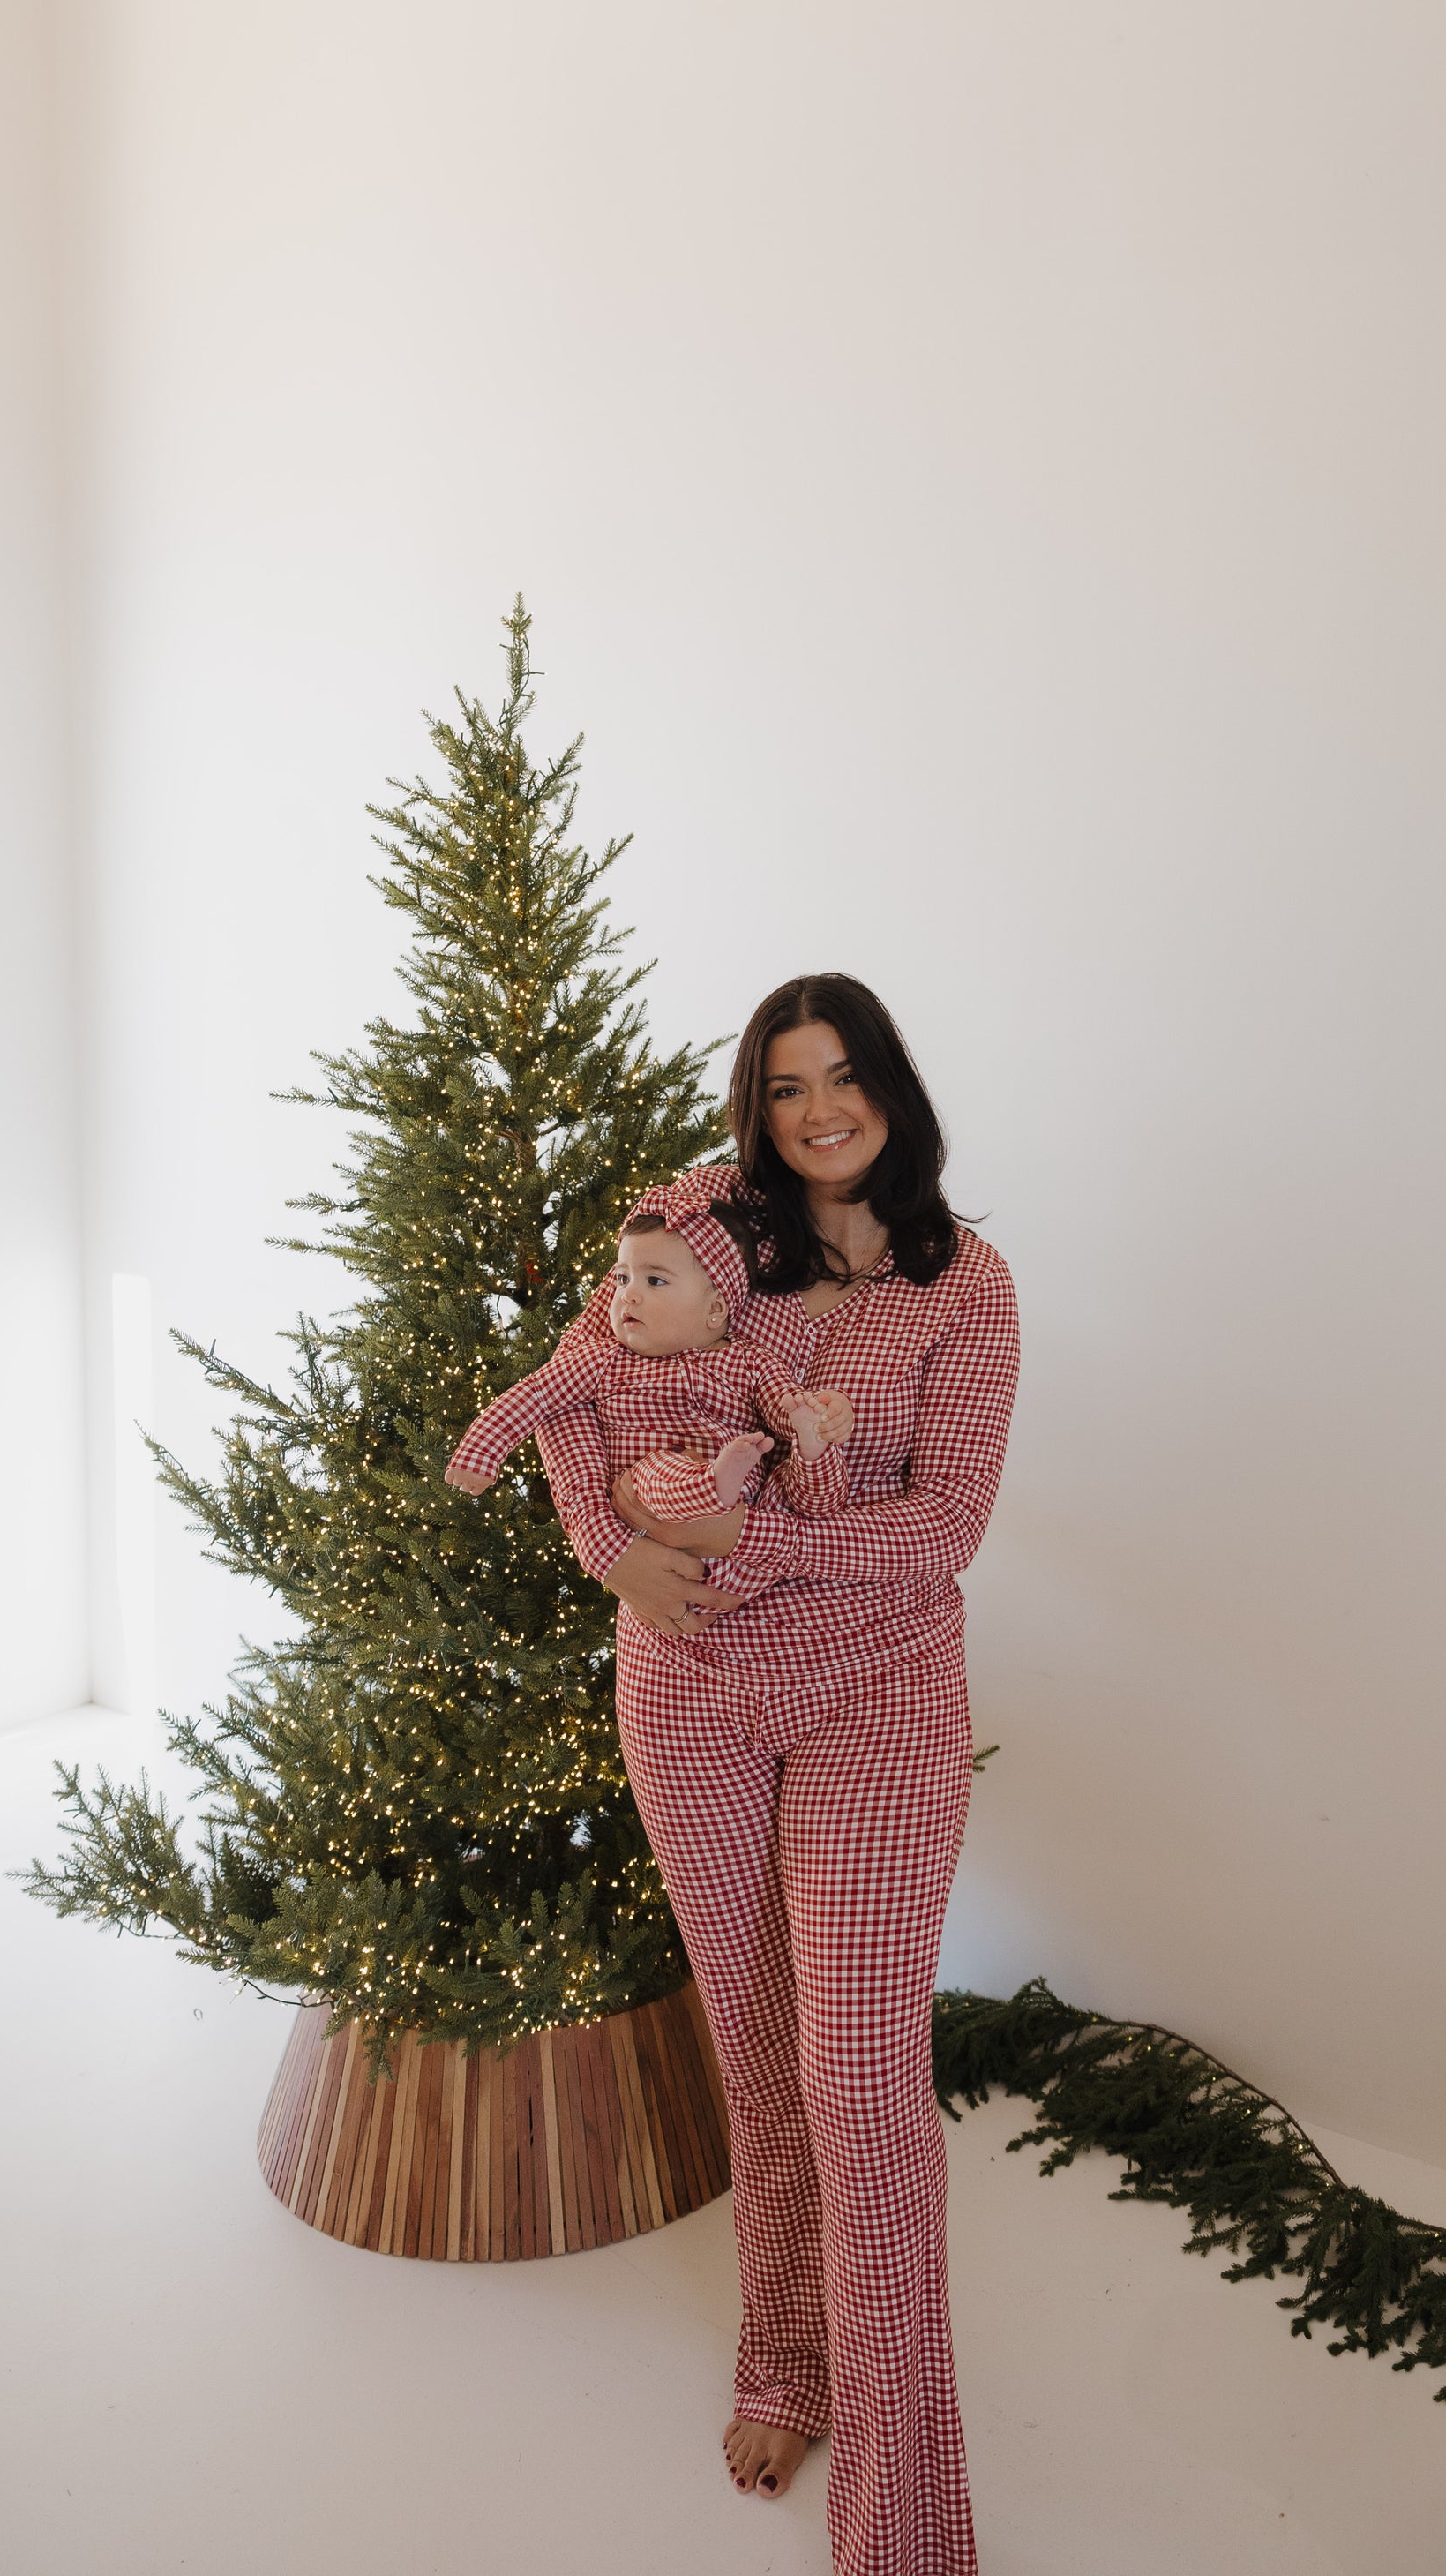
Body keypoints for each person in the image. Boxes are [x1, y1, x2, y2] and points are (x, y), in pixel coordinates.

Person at [523, 974, 1019, 2576]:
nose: (818, 1109)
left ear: (892, 1088)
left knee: (863, 2081)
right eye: (788, 1083)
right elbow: (569, 1385)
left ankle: (904, 2508)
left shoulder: (968, 1288)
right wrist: (613, 1550)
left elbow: (944, 1532)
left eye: (844, 1075)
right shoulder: (712, 1231)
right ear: (760, 1103)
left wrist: (761, 1540)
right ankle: (785, 2363)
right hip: (689, 1699)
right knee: (757, 2045)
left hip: (878, 1700)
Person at [441, 1194, 854, 1521]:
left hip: (749, 1514)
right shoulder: (601, 1360)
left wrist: (811, 1416)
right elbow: (535, 1395)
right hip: (656, 1502)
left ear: (715, 1309)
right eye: (623, 1278)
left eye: (655, 1280)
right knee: (653, 1473)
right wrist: (482, 1451)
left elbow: (783, 1405)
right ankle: (711, 1483)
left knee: (798, 1485)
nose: (628, 1295)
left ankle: (810, 1452)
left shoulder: (751, 1361)